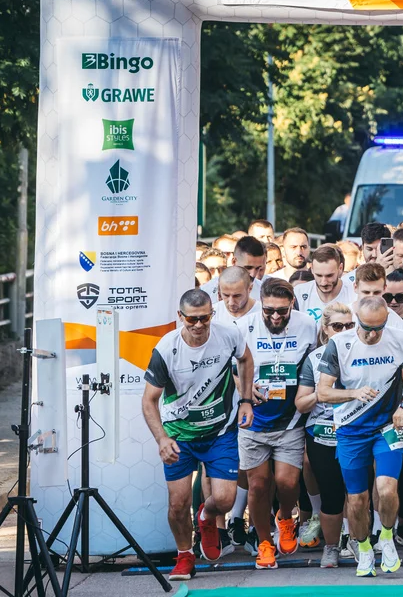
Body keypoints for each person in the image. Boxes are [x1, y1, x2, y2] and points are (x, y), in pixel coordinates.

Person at [142, 289, 255, 580]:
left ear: (211, 314)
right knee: (177, 503)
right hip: (179, 434)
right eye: (191, 319)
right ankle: (184, 556)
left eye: (204, 318)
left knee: (226, 501)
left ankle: (205, 516)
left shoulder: (228, 334)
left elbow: (245, 359)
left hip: (220, 431)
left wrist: (245, 399)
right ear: (180, 317)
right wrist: (162, 439)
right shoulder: (167, 349)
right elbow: (148, 400)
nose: (198, 325)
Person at [317, 297, 403, 578]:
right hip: (351, 429)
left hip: (387, 427)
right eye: (366, 327)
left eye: (378, 328)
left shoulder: (400, 339)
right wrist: (353, 393)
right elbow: (323, 392)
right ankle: (364, 548)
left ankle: (387, 537)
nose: (372, 334)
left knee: (387, 489)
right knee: (357, 499)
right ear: (357, 319)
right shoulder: (339, 344)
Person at [240, 278, 317, 570]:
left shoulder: (307, 325)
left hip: (290, 420)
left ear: (292, 304)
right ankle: (264, 542)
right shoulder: (243, 327)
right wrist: (243, 388)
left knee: (287, 483)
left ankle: (285, 517)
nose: (275, 316)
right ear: (260, 302)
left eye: (282, 311)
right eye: (269, 310)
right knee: (258, 486)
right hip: (254, 419)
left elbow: (316, 363)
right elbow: (229, 369)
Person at [295, 302, 356, 568]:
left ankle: (357, 541)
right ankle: (330, 547)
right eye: (338, 326)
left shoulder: (365, 352)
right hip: (322, 432)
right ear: (326, 329)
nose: (344, 331)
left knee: (356, 493)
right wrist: (322, 393)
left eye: (350, 325)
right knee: (331, 494)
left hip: (356, 431)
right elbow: (300, 403)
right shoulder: (315, 358)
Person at [294, 245, 358, 324]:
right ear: (312, 269)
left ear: (340, 268)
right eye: (319, 275)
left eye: (329, 275)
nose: (324, 282)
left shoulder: (354, 294)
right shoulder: (299, 293)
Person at [203, 236, 266, 303]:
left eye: (257, 268)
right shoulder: (207, 291)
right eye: (248, 268)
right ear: (234, 261)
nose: (253, 274)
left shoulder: (264, 292)